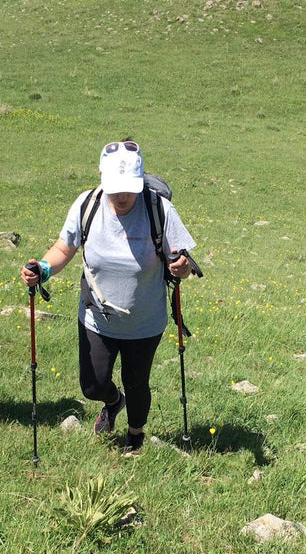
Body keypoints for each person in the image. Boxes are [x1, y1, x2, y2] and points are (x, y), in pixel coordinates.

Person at [20, 140, 197, 454]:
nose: (123, 196)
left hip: (145, 321)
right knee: (92, 386)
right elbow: (64, 249)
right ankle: (113, 403)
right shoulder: (87, 205)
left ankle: (136, 435)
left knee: (137, 382)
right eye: (115, 188)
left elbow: (180, 262)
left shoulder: (159, 210)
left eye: (130, 188)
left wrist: (181, 269)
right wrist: (43, 269)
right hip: (97, 318)